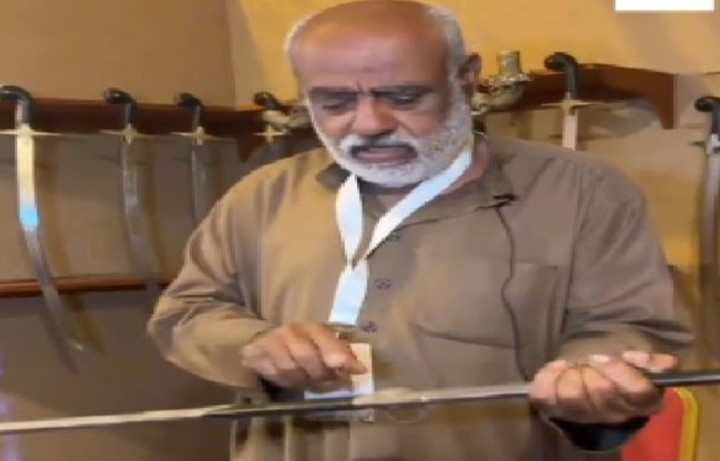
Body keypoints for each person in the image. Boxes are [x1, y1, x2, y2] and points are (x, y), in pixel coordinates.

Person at [147, 1, 694, 460]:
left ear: (466, 78)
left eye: (404, 97)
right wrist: (253, 346)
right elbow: (187, 312)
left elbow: (626, 327)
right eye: (334, 103)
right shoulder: (264, 194)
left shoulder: (584, 192)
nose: (369, 124)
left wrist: (595, 375)